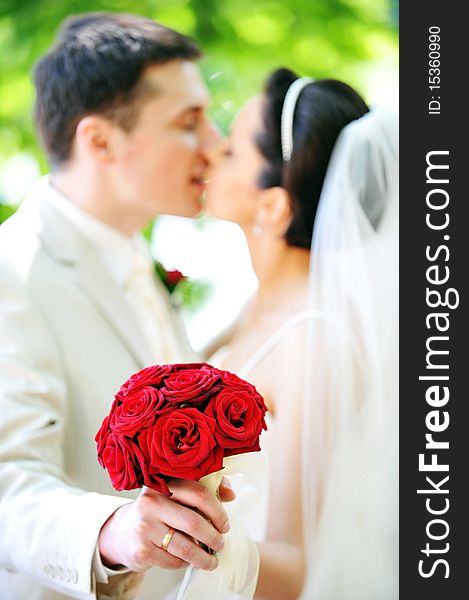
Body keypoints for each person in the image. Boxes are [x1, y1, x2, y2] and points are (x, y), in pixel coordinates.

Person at [0, 13, 234, 600]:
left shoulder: (138, 256)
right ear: (100, 140)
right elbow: (8, 485)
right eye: (190, 121)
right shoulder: (12, 272)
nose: (217, 143)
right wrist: (113, 530)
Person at [204, 68, 398, 598]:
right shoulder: (251, 306)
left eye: (232, 152)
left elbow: (295, 569)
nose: (211, 150)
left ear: (273, 205)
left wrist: (178, 543)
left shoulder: (312, 341)